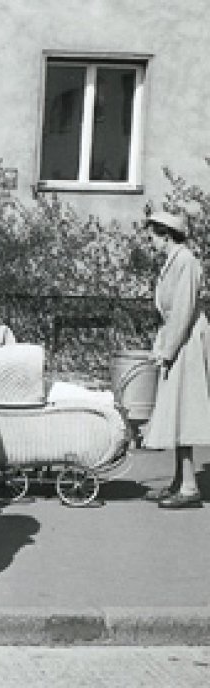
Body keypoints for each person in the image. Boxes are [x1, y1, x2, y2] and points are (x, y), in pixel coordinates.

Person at [142, 211, 210, 509]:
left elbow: (182, 311)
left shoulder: (186, 262)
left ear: (166, 234)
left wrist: (166, 351)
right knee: (176, 411)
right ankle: (179, 481)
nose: (150, 241)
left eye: (152, 235)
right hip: (178, 338)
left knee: (183, 411)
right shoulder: (174, 262)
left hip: (187, 341)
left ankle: (189, 486)